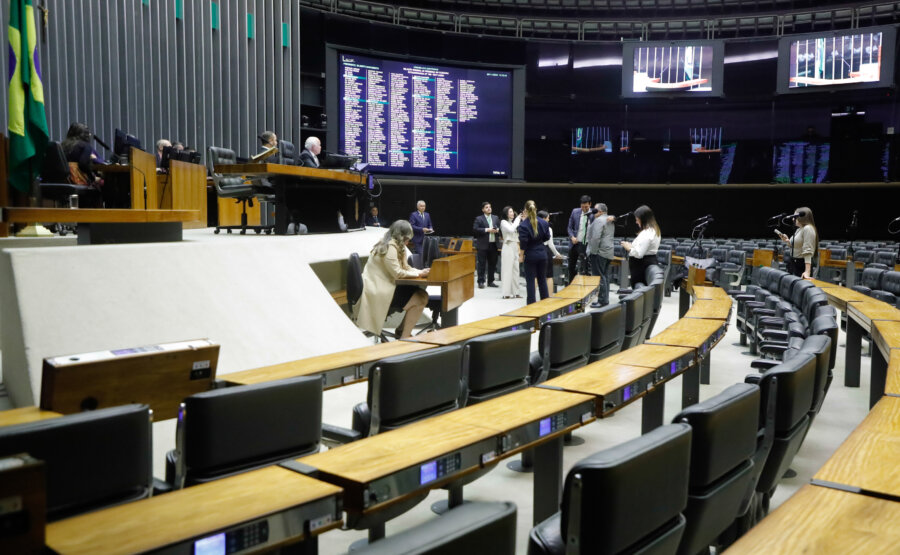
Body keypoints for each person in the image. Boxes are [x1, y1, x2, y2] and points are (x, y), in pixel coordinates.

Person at [356, 220, 431, 338]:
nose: (407, 242)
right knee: (420, 299)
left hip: (385, 285)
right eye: (406, 239)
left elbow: (405, 267)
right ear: (400, 236)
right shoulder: (390, 246)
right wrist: (419, 274)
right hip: (378, 289)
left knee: (422, 295)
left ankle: (402, 331)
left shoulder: (395, 245)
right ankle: (405, 339)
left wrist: (421, 272)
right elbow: (397, 273)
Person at [519, 200, 552, 304]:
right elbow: (547, 237)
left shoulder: (523, 225)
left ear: (525, 211)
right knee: (542, 280)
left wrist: (521, 255)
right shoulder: (543, 222)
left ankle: (531, 306)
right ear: (536, 209)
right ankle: (545, 304)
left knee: (530, 281)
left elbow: (523, 243)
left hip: (530, 255)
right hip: (542, 254)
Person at [621, 205, 661, 286]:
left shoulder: (648, 233)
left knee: (639, 288)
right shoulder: (650, 230)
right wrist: (632, 246)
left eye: (637, 219)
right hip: (643, 264)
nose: (636, 222)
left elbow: (639, 254)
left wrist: (629, 248)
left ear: (643, 219)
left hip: (641, 265)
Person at [586, 203, 615, 307]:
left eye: (595, 210)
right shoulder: (609, 219)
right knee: (605, 276)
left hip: (599, 252)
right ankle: (605, 300)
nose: (593, 211)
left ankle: (602, 301)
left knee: (599, 277)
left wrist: (592, 252)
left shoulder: (599, 220)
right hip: (608, 252)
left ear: (601, 211)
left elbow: (596, 238)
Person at [777, 207, 818, 278]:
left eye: (795, 216)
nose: (793, 219)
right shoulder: (799, 229)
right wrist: (787, 241)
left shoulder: (808, 228)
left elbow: (808, 250)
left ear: (803, 217)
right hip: (793, 263)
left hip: (801, 265)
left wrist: (807, 271)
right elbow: (796, 246)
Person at [60, 122, 101, 187]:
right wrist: (93, 177)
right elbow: (83, 164)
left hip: (61, 181)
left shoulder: (62, 145)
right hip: (76, 180)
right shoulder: (85, 146)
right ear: (85, 135)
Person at [473, 202, 501, 289]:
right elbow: (475, 229)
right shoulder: (479, 219)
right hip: (483, 244)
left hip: (493, 244)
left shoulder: (495, 218)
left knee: (492, 264)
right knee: (481, 264)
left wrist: (497, 230)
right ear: (483, 210)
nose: (489, 208)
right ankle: (481, 281)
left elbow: (500, 228)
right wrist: (487, 230)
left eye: (490, 207)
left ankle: (491, 281)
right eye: (486, 207)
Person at [567, 195, 594, 282]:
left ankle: (585, 288)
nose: (584, 209)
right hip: (575, 243)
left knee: (585, 268)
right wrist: (572, 237)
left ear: (590, 204)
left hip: (586, 244)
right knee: (571, 267)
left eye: (586, 207)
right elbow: (569, 227)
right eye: (582, 207)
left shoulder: (594, 213)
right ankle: (571, 285)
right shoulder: (575, 212)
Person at [540, 210, 565, 294]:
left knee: (536, 276)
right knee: (549, 276)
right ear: (543, 218)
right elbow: (550, 244)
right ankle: (549, 297)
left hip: (535, 250)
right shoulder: (548, 228)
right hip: (545, 251)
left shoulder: (533, 227)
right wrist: (557, 254)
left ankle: (532, 298)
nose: (548, 220)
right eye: (547, 218)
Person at [500, 206, 522, 299]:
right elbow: (511, 229)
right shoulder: (503, 222)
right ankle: (506, 293)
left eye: (513, 211)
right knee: (507, 270)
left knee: (516, 270)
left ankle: (516, 292)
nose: (512, 213)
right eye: (510, 212)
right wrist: (517, 220)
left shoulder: (513, 223)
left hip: (514, 246)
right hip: (508, 246)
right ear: (506, 213)